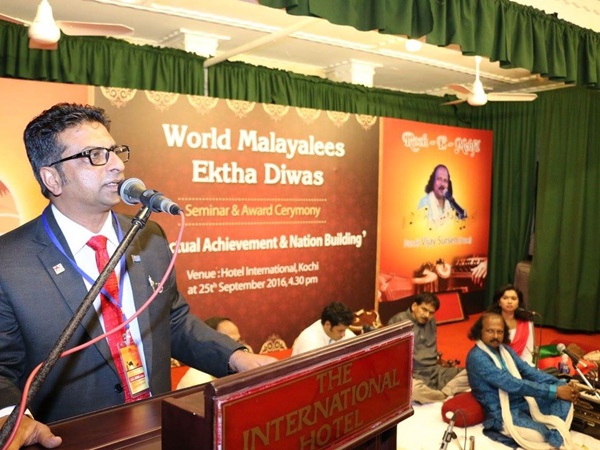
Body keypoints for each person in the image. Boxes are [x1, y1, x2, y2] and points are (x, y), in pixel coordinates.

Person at [0, 103, 276, 449]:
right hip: (76, 440)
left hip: (159, 432)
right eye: (94, 155)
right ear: (52, 178)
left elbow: (173, 322)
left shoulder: (149, 236)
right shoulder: (8, 262)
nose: (117, 164)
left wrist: (237, 358)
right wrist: (11, 418)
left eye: (115, 151)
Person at [466, 312, 578, 449]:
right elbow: (511, 383)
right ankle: (556, 434)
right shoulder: (477, 357)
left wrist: (562, 385)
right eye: (490, 331)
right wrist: (554, 391)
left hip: (523, 401)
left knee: (562, 390)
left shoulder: (505, 349)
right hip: (502, 411)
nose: (495, 336)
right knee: (538, 435)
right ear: (480, 331)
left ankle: (555, 435)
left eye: (499, 332)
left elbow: (528, 371)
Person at [388, 292, 470, 403]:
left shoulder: (431, 320)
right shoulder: (399, 321)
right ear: (414, 306)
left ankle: (442, 394)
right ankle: (443, 395)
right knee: (412, 390)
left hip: (435, 372)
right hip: (413, 374)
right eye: (424, 309)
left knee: (473, 372)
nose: (427, 315)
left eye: (431, 312)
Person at [177, 316, 253, 389]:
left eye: (238, 341)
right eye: (231, 342)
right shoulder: (197, 381)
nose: (237, 347)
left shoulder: (241, 357)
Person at [487, 284, 535, 365]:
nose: (509, 302)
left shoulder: (526, 324)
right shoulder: (490, 322)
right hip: (496, 364)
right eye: (505, 298)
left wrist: (523, 367)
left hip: (520, 364)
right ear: (499, 302)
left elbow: (527, 353)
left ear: (518, 303)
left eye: (513, 298)